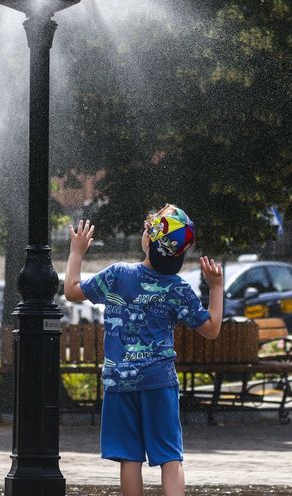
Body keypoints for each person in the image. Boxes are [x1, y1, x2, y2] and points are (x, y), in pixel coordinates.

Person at [64, 204, 224, 496]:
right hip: (159, 382)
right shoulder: (178, 289)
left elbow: (72, 291)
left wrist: (76, 252)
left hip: (120, 382)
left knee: (130, 457)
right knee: (169, 456)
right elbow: (211, 329)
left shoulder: (118, 276)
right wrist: (215, 286)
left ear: (148, 240)